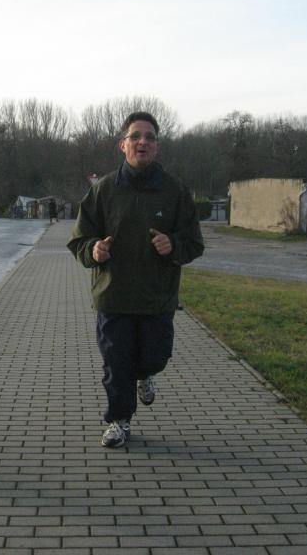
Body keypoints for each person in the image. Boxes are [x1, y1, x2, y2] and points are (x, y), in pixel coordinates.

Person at [67, 111, 204, 448]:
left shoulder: (175, 191)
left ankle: (147, 374)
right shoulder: (103, 190)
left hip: (157, 297)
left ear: (157, 146)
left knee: (154, 357)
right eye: (136, 136)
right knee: (117, 363)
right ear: (123, 144)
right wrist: (94, 250)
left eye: (150, 137)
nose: (143, 142)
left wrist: (174, 245)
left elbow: (194, 242)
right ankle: (119, 421)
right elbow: (79, 239)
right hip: (113, 296)